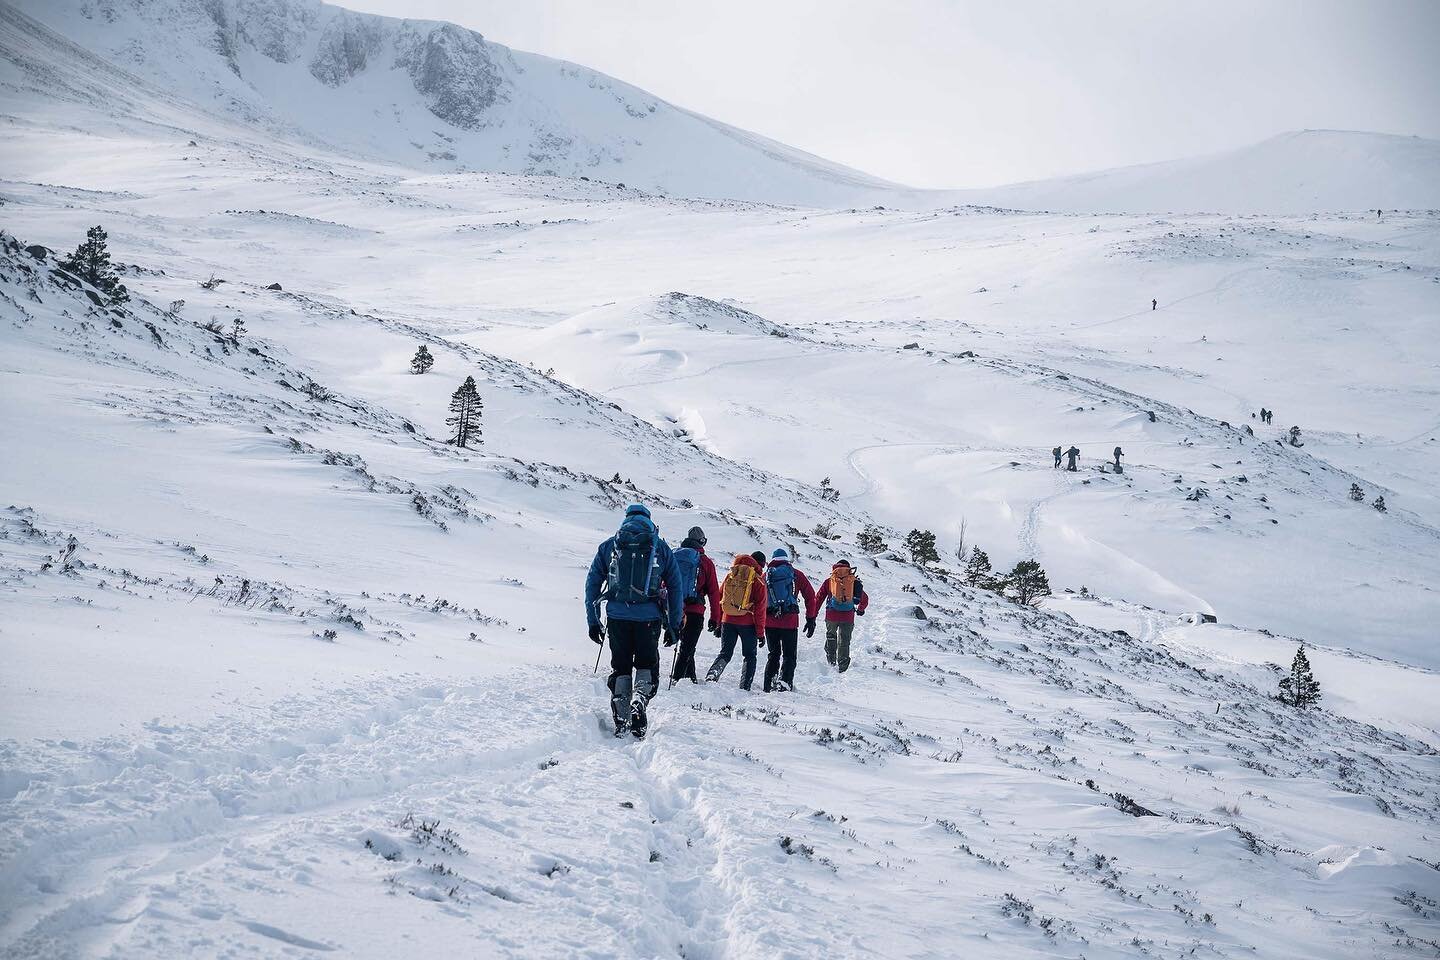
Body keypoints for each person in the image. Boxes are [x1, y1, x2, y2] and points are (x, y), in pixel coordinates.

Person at [585, 504, 684, 738]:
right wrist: (674, 625)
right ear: (649, 520)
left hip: (618, 617)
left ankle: (622, 719)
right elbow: (676, 587)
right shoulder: (659, 547)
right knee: (646, 666)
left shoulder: (610, 545)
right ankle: (639, 699)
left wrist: (593, 620)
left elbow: (592, 584)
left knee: (620, 667)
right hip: (649, 618)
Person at [669, 526, 721, 685]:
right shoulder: (705, 562)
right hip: (695, 610)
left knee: (686, 645)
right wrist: (715, 618)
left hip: (675, 609)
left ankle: (690, 678)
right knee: (687, 647)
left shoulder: (674, 556)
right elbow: (713, 592)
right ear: (701, 542)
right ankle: (676, 679)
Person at [706, 553, 768, 690]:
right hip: (748, 624)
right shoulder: (758, 581)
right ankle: (745, 686)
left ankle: (712, 676)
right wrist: (760, 633)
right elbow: (760, 610)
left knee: (725, 653)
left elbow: (720, 598)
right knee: (750, 655)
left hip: (727, 620)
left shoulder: (731, 575)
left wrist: (719, 622)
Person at [762, 549, 818, 692]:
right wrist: (810, 618)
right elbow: (810, 596)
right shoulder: (796, 575)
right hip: (790, 622)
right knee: (789, 655)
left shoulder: (766, 576)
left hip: (770, 621)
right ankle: (784, 684)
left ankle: (769, 683)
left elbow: (758, 599)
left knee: (773, 654)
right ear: (787, 560)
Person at [814, 559, 869, 673]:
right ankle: (843, 666)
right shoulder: (852, 581)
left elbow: (818, 598)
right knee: (844, 640)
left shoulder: (830, 581)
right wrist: (860, 609)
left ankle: (831, 661)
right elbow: (864, 598)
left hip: (831, 615)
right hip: (848, 616)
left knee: (831, 636)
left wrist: (813, 614)